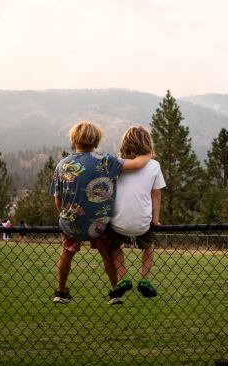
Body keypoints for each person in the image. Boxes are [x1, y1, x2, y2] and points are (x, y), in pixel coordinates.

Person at [50, 121, 150, 304]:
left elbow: (58, 199)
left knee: (66, 253)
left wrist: (67, 214)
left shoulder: (62, 165)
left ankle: (61, 292)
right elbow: (136, 165)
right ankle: (115, 292)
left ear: (74, 139)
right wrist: (149, 153)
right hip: (98, 224)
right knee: (107, 253)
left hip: (71, 222)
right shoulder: (106, 161)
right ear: (96, 141)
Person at [108, 126, 166, 304]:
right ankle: (144, 279)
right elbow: (156, 195)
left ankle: (124, 276)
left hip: (118, 222)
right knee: (148, 246)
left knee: (114, 247)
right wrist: (155, 219)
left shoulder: (116, 164)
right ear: (147, 143)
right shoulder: (154, 165)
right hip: (142, 222)